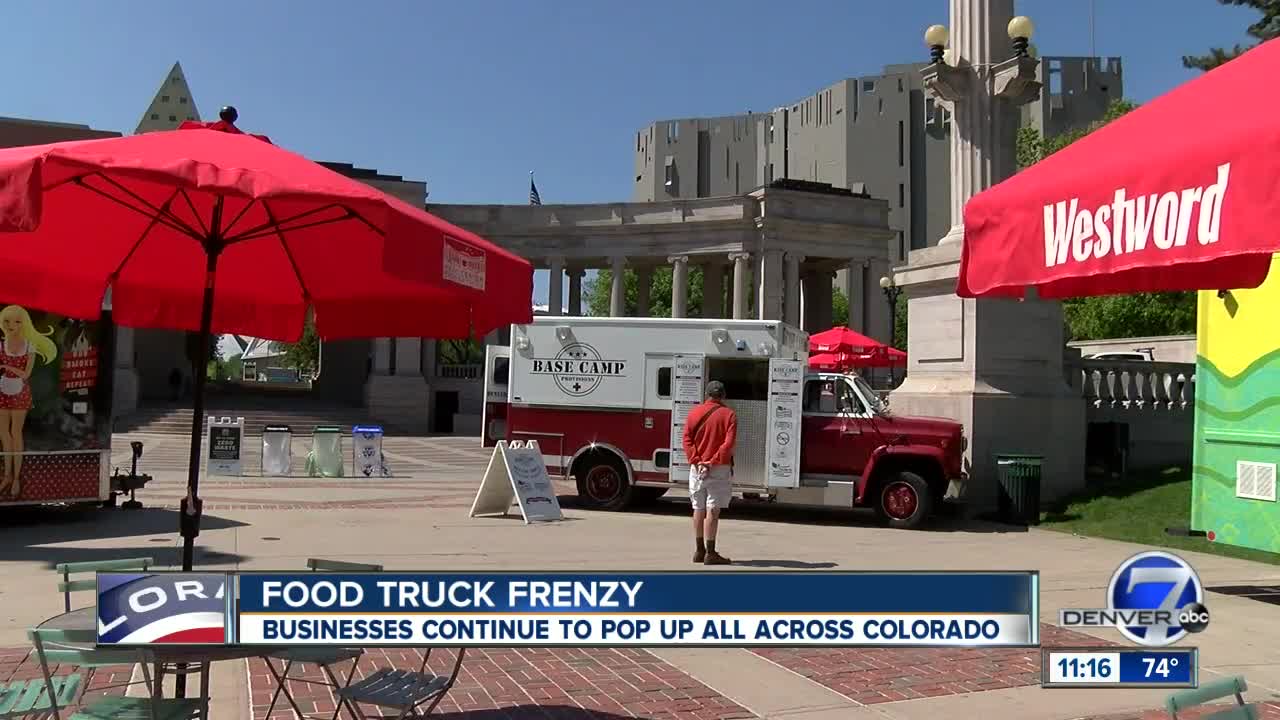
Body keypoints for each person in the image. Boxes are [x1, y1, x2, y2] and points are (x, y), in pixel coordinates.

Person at [0, 305, 57, 497]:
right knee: (3, 434)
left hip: (19, 391)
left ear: (23, 324)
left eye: (16, 321)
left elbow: (26, 374)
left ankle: (16, 477)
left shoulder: (29, 346)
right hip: (2, 389)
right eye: (7, 321)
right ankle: (6, 475)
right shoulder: (1, 345)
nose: (10, 325)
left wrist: (7, 365)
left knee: (15, 433)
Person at [681, 380, 737, 565]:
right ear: (723, 395)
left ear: (706, 395)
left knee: (698, 507)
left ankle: (699, 551)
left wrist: (697, 461)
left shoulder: (693, 413)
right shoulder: (729, 415)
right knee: (713, 508)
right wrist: (711, 462)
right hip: (718, 467)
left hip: (697, 468)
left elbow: (687, 440)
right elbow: (728, 444)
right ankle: (711, 552)